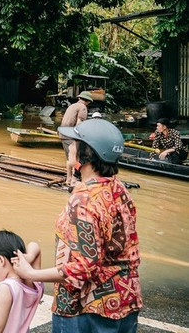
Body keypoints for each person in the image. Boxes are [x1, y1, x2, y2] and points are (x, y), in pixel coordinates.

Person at [13, 119, 142, 331]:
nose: (70, 147)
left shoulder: (83, 199)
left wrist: (31, 274)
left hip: (84, 309)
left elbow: (83, 267)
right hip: (126, 300)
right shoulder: (119, 189)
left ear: (87, 154)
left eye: (74, 143)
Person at [0, 230, 43, 333]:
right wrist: (28, 258)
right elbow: (35, 246)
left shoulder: (6, 288)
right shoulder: (34, 284)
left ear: (1, 260)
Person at [58, 91, 93, 185]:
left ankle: (69, 179)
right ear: (88, 101)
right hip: (70, 135)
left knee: (70, 157)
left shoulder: (72, 106)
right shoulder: (83, 107)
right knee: (75, 158)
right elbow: (79, 124)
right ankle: (72, 179)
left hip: (63, 133)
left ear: (79, 98)